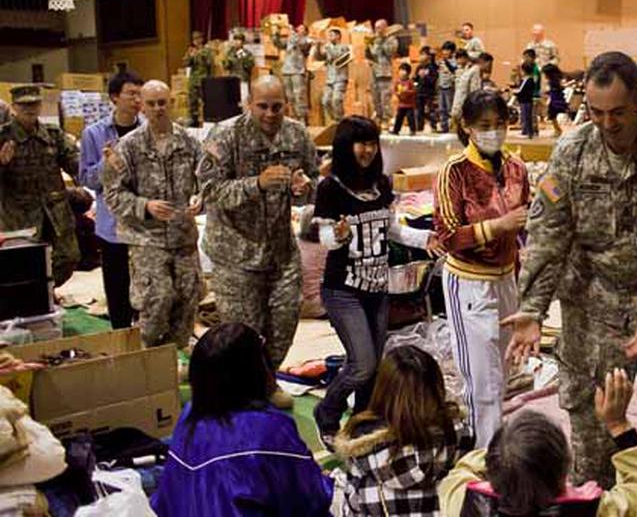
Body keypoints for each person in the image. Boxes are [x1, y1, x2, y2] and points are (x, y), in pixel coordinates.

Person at [501, 51, 637, 492]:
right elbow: (547, 233)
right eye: (597, 113)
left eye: (618, 112)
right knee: (590, 415)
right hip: (591, 297)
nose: (607, 124)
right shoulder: (572, 152)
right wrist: (533, 307)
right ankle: (593, 497)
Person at [312, 116, 441, 446]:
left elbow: (392, 229)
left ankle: (362, 418)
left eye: (372, 142)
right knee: (362, 364)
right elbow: (325, 236)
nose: (368, 150)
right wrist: (338, 235)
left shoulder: (381, 184)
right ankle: (327, 413)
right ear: (345, 146)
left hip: (377, 290)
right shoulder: (331, 187)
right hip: (343, 291)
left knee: (373, 363)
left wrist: (425, 238)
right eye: (361, 143)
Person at [197, 75, 319, 409]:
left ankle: (266, 380)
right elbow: (209, 193)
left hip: (280, 252)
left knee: (283, 324)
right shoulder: (225, 135)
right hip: (234, 253)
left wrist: (303, 188)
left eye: (276, 107)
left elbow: (314, 180)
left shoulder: (296, 134)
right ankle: (244, 395)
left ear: (286, 105)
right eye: (262, 106)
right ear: (249, 103)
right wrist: (257, 184)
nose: (269, 113)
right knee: (244, 335)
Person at [151, 322, 332, 516]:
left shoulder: (190, 415)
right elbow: (312, 498)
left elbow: (165, 500)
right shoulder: (269, 430)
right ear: (255, 371)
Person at [438, 369, 637, 516]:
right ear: (566, 465)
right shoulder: (596, 511)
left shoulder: (464, 501)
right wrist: (619, 425)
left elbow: (463, 470)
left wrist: (512, 454)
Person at [433, 89, 529, 448]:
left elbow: (529, 220)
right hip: (469, 283)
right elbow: (447, 235)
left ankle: (499, 447)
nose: (494, 131)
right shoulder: (453, 173)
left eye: (500, 124)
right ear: (467, 128)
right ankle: (484, 456)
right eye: (484, 125)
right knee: (482, 380)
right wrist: (498, 226)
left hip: (507, 280)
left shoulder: (518, 169)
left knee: (504, 373)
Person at [102, 80, 203, 349]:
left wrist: (201, 198)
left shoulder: (190, 142)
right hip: (146, 238)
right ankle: (147, 356)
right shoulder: (128, 146)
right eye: (151, 103)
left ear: (170, 103)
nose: (158, 108)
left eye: (162, 102)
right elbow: (112, 195)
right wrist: (145, 206)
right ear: (141, 107)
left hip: (183, 237)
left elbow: (208, 180)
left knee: (188, 299)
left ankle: (171, 358)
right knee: (156, 300)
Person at [334, 345, 474, 516]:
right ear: (437, 387)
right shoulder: (460, 436)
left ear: (382, 390)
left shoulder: (362, 452)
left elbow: (352, 508)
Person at [79, 70, 144, 329]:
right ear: (115, 97)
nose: (137, 100)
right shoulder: (94, 134)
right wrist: (108, 164)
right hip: (113, 226)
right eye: (131, 94)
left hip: (144, 223)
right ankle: (121, 340)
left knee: (147, 289)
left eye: (140, 94)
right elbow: (87, 179)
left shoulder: (148, 130)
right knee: (117, 290)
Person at [0, 85, 81, 287]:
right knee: (23, 264)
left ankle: (46, 290)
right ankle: (33, 299)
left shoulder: (53, 134)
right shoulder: (3, 137)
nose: (30, 108)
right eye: (24, 104)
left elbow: (75, 164)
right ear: (13, 107)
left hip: (55, 212)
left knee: (69, 257)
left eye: (34, 103)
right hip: (19, 215)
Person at [278, 24, 315, 122]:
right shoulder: (290, 39)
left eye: (302, 28)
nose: (299, 29)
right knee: (289, 96)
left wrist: (293, 33)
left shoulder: (307, 40)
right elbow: (279, 44)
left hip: (298, 71)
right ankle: (293, 118)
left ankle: (302, 118)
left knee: (299, 95)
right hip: (287, 70)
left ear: (306, 31)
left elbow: (302, 45)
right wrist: (275, 33)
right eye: (298, 27)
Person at [366, 19, 399, 128]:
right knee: (375, 98)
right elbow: (371, 54)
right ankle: (379, 117)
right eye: (375, 27)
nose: (377, 30)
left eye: (379, 27)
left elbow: (390, 52)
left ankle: (387, 118)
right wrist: (368, 46)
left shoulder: (391, 39)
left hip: (384, 72)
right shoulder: (374, 40)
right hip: (374, 72)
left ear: (385, 27)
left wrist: (382, 40)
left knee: (385, 98)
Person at [314, 28, 349, 123]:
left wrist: (328, 48)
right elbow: (318, 57)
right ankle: (334, 120)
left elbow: (338, 56)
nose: (329, 38)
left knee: (336, 100)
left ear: (338, 36)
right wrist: (318, 46)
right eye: (329, 35)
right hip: (330, 79)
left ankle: (341, 121)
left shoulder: (344, 47)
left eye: (331, 35)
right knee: (325, 101)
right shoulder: (328, 47)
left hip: (340, 79)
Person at [450, 52, 493, 131]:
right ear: (484, 62)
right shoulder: (476, 72)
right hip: (462, 109)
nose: (490, 67)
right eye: (489, 64)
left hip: (459, 107)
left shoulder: (472, 70)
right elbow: (475, 93)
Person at [182, 30, 214, 127]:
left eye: (198, 38)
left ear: (201, 39)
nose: (196, 41)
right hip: (193, 80)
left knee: (206, 102)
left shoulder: (207, 51)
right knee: (193, 102)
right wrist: (190, 57)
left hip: (204, 80)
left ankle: (208, 119)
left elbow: (210, 64)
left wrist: (203, 55)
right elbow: (185, 64)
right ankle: (193, 120)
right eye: (194, 39)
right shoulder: (191, 51)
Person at [415, 46, 438, 133]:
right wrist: (416, 83)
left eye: (423, 54)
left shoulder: (432, 67)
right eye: (420, 54)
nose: (421, 56)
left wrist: (425, 76)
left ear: (428, 56)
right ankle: (419, 127)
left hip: (429, 92)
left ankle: (433, 126)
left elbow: (433, 80)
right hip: (419, 92)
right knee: (419, 111)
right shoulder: (419, 67)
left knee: (431, 110)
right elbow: (415, 80)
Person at [436, 41, 458, 133]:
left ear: (452, 51)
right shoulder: (441, 61)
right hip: (441, 87)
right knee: (441, 108)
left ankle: (452, 127)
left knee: (450, 108)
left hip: (450, 87)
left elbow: (455, 73)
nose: (445, 52)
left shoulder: (455, 61)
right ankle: (444, 127)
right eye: (444, 50)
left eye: (447, 50)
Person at [543, 63, 569, 138]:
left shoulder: (552, 82)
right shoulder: (556, 80)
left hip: (555, 100)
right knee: (552, 116)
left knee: (552, 115)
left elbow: (554, 92)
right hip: (556, 99)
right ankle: (557, 130)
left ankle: (558, 130)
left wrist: (549, 96)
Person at [392, 63, 417, 136]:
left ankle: (412, 130)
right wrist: (397, 94)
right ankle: (396, 130)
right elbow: (394, 90)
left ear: (408, 72)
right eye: (401, 70)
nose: (402, 72)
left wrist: (407, 92)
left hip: (409, 105)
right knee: (399, 118)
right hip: (401, 104)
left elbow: (414, 91)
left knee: (410, 118)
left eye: (404, 70)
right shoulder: (398, 81)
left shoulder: (410, 82)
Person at [515, 61, 537, 138]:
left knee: (527, 117)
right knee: (524, 116)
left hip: (526, 101)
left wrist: (514, 91)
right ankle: (525, 131)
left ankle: (529, 133)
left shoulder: (528, 80)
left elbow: (521, 90)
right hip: (524, 100)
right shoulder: (527, 79)